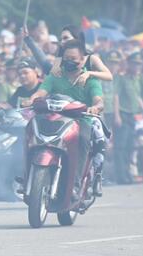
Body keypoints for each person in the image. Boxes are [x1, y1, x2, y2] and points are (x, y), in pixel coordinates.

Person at [27, 40, 105, 196]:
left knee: (83, 140)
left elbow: (98, 100)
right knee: (29, 129)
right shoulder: (55, 75)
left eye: (74, 58)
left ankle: (76, 185)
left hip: (81, 121)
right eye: (66, 58)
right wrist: (32, 98)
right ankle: (26, 176)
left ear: (83, 59)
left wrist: (95, 107)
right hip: (53, 118)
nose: (69, 61)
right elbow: (41, 92)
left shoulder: (91, 79)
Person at [113, 52, 143, 185]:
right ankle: (121, 176)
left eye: (139, 64)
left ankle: (127, 173)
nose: (137, 66)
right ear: (129, 64)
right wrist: (117, 115)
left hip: (133, 116)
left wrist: (141, 104)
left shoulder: (136, 79)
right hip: (123, 114)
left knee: (130, 147)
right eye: (135, 63)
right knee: (120, 147)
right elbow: (116, 96)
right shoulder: (122, 79)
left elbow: (137, 95)